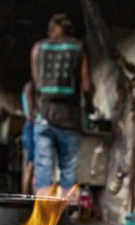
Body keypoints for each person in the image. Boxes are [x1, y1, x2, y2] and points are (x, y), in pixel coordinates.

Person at [31, 13, 95, 199]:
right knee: (68, 173)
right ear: (70, 30)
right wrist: (89, 105)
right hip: (69, 118)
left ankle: (43, 217)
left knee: (43, 169)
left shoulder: (37, 49)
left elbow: (36, 85)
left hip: (43, 116)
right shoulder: (79, 48)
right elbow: (87, 86)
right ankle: (63, 219)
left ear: (51, 30)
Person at [21, 81, 35, 194]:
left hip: (29, 128)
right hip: (32, 129)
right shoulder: (30, 87)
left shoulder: (28, 87)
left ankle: (28, 203)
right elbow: (31, 113)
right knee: (31, 168)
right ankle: (29, 203)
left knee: (30, 168)